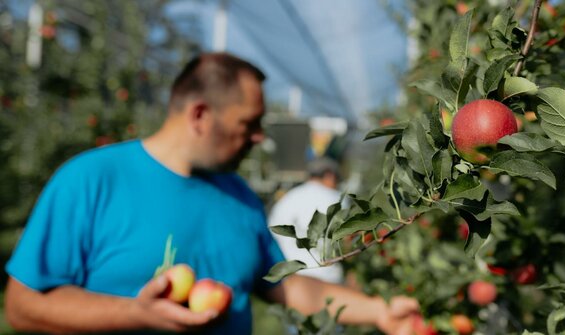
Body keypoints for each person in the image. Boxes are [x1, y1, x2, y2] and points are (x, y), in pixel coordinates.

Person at [4, 52, 420, 334]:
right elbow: (22, 307)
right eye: (249, 123)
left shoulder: (238, 195)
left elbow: (286, 286)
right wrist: (134, 313)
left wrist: (380, 312)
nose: (259, 137)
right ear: (200, 115)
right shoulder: (91, 180)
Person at [269, 156, 345, 284]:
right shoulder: (336, 199)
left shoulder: (288, 198)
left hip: (290, 276)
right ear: (329, 175)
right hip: (327, 276)